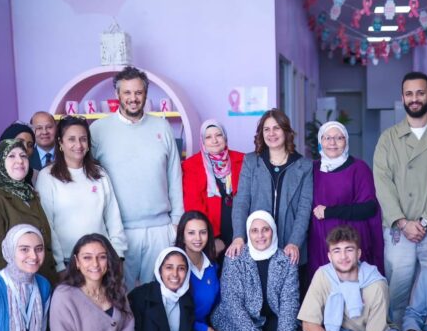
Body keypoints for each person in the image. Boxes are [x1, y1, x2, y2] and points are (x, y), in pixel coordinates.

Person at [373, 71, 427, 325]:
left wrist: (423, 222)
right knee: (397, 292)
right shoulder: (388, 138)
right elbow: (382, 184)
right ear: (402, 98)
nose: (415, 99)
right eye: (409, 94)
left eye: (420, 93)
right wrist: (403, 222)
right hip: (399, 230)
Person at [90, 66, 184, 289]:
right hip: (118, 230)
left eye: (138, 92)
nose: (133, 98)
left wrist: (177, 221)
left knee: (159, 294)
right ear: (117, 94)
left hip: (160, 229)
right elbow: (90, 181)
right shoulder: (98, 130)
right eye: (127, 93)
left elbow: (174, 175)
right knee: (121, 294)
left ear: (146, 94)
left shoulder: (162, 126)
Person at [214, 210, 306, 331]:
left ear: (273, 231)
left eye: (266, 229)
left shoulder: (286, 260)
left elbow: (289, 304)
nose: (260, 236)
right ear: (248, 233)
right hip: (237, 323)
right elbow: (233, 305)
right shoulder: (235, 258)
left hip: (272, 318)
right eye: (254, 231)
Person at [226, 109, 313, 281]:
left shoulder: (304, 166)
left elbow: (304, 209)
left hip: (289, 248)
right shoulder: (251, 161)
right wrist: (239, 237)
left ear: (286, 131)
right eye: (266, 129)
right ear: (261, 133)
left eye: (276, 128)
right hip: (257, 244)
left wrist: (294, 242)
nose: (271, 133)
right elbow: (241, 202)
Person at [35, 116, 127, 277]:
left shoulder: (100, 174)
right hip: (67, 263)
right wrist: (59, 265)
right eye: (71, 139)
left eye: (83, 139)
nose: (78, 145)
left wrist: (118, 255)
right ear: (60, 143)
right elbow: (47, 225)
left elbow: (113, 218)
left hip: (101, 261)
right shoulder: (47, 176)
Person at [0, 139, 58, 285]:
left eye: (23, 155)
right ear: (0, 161)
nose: (19, 161)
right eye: (11, 156)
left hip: (41, 283)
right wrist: (8, 293)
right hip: (12, 289)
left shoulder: (30, 194)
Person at [308, 121, 384, 278]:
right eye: (327, 138)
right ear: (320, 141)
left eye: (339, 138)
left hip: (351, 242)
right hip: (319, 242)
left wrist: (330, 212)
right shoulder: (311, 169)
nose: (332, 143)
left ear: (346, 141)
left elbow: (369, 208)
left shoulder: (359, 168)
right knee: (322, 287)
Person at [175, 211, 230, 331]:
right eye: (191, 233)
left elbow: (217, 302)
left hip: (204, 325)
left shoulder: (211, 265)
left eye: (203, 232)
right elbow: (176, 312)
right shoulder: (175, 267)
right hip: (180, 329)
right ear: (182, 236)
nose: (197, 238)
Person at [182, 120, 245, 256]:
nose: (214, 140)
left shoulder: (242, 159)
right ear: (203, 141)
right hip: (212, 234)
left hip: (241, 232)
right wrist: (212, 237)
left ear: (225, 137)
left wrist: (242, 234)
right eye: (208, 137)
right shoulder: (191, 165)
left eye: (218, 135)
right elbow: (194, 205)